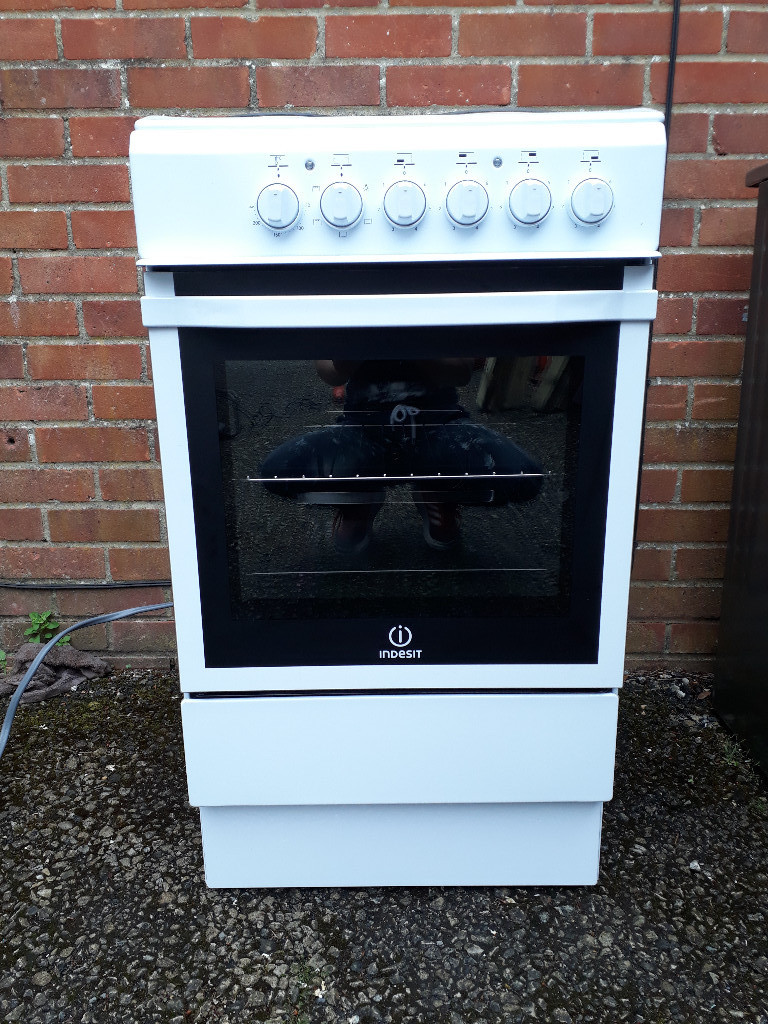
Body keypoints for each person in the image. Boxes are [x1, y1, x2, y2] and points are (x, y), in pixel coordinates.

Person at [260, 358, 543, 554]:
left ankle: (435, 488)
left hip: (437, 425)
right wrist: (357, 345)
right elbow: (329, 373)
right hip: (364, 430)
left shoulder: (439, 294)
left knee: (524, 477)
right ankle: (361, 493)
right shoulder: (350, 298)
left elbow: (461, 373)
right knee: (276, 471)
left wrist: (409, 340)